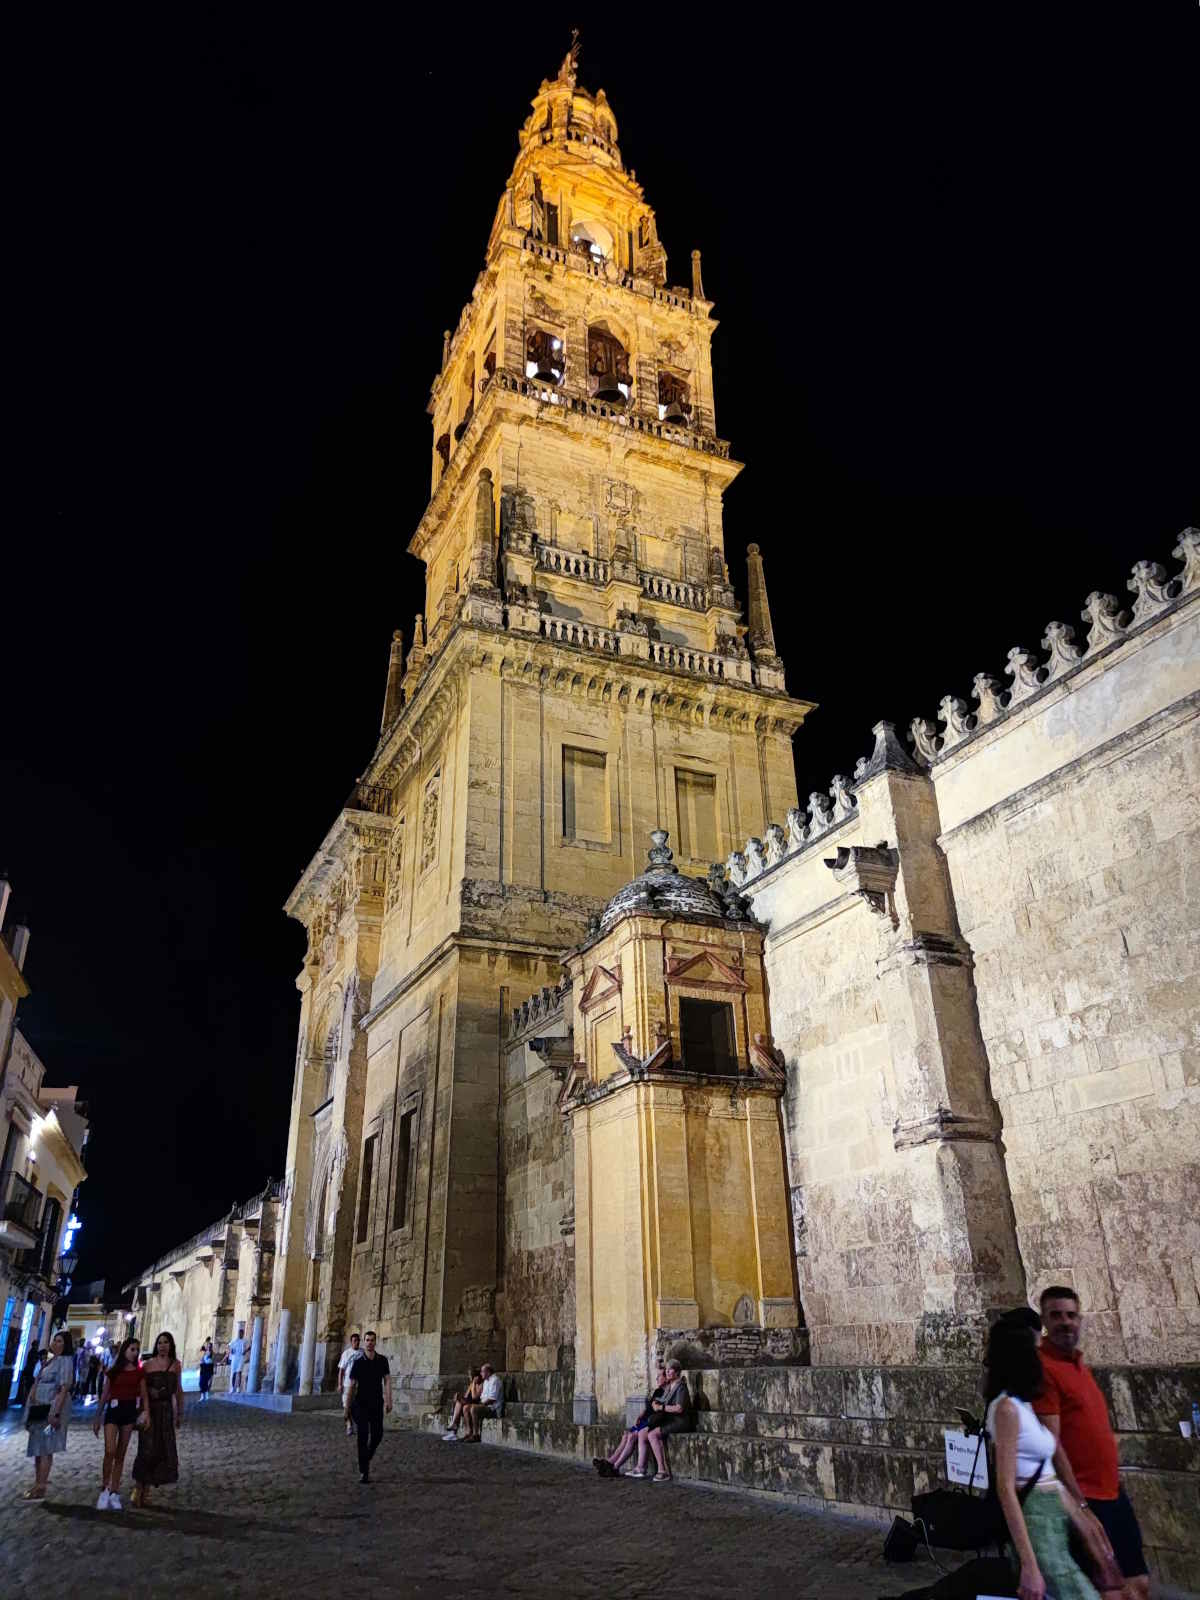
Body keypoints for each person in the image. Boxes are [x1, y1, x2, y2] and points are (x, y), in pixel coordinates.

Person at [985, 1319, 1114, 1600]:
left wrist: (1083, 1516)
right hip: (1036, 1528)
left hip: (1053, 1523)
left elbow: (1045, 1470)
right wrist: (1029, 1565)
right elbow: (1005, 1487)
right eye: (1035, 1349)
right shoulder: (1005, 1409)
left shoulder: (1023, 1405)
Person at [1034, 1287, 1149, 1600]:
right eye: (1055, 1315)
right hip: (1087, 1497)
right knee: (1111, 1591)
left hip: (1112, 1492)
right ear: (1044, 1319)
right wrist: (1080, 1505)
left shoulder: (1078, 1364)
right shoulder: (1044, 1368)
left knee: (1138, 1584)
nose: (1065, 1322)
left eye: (1071, 1315)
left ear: (1080, 1319)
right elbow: (1052, 1445)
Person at [20, 1329, 74, 1501]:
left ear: (66, 1345)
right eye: (54, 1340)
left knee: (46, 1447)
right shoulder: (50, 1360)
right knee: (37, 1446)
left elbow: (64, 1388)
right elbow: (38, 1379)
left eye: (60, 1341)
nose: (56, 1344)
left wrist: (55, 1412)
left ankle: (41, 1486)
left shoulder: (65, 1361)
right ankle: (37, 1483)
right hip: (38, 1406)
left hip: (50, 1407)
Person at [131, 1331, 183, 1507]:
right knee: (146, 1449)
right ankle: (139, 1488)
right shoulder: (146, 1365)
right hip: (150, 1410)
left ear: (171, 1345)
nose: (162, 1345)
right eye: (160, 1342)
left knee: (160, 1450)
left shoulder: (176, 1365)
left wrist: (179, 1413)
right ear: (156, 1345)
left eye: (166, 1342)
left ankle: (147, 1491)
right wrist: (143, 1411)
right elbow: (141, 1389)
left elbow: (178, 1390)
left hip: (166, 1412)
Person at [594, 1364, 667, 1477]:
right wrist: (640, 1415)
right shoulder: (657, 1391)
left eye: (659, 1376)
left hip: (652, 1422)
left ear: (666, 1377)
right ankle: (610, 1462)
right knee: (626, 1435)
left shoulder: (666, 1393)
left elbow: (658, 1412)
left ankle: (615, 1467)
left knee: (632, 1436)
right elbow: (649, 1408)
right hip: (646, 1420)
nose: (657, 1378)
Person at [94, 1337, 142, 1510]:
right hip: (113, 1412)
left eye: (137, 1350)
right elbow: (105, 1394)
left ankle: (114, 1491)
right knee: (110, 1451)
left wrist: (145, 1413)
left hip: (129, 1413)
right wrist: (97, 1416)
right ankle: (105, 1488)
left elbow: (142, 1394)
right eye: (132, 1349)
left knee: (121, 1454)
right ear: (125, 1350)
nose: (135, 1352)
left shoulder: (138, 1372)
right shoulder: (113, 1371)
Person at [627, 1357, 691, 1481]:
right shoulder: (671, 1386)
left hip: (680, 1421)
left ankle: (663, 1471)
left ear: (677, 1372)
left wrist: (660, 1407)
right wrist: (655, 1402)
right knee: (644, 1433)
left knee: (652, 1434)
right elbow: (664, 1400)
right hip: (670, 1420)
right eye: (666, 1369)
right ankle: (642, 1467)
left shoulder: (681, 1387)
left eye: (670, 1369)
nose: (667, 1372)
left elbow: (679, 1409)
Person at [343, 1330, 391, 1483]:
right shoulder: (358, 1362)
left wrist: (389, 1400)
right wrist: (347, 1407)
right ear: (364, 1342)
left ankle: (367, 1457)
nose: (370, 1342)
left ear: (376, 1342)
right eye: (367, 1340)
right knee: (362, 1436)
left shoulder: (382, 1360)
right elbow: (351, 1386)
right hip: (361, 1404)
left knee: (377, 1435)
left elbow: (387, 1381)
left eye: (372, 1340)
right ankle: (364, 1471)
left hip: (376, 1403)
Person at [462, 1363, 503, 1442]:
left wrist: (480, 1404)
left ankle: (475, 1434)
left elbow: (492, 1399)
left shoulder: (495, 1380)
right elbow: (482, 1397)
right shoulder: (486, 1381)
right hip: (485, 1405)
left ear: (488, 1372)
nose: (480, 1373)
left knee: (474, 1408)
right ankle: (469, 1432)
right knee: (465, 1408)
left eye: (482, 1372)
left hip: (492, 1408)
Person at [441, 1368, 483, 1441]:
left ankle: (454, 1428)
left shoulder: (480, 1385)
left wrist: (473, 1384)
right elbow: (466, 1396)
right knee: (458, 1402)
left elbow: (474, 1397)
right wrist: (460, 1396)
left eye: (470, 1376)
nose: (469, 1377)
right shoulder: (471, 1384)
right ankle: (454, 1429)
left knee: (459, 1404)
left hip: (475, 1403)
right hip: (468, 1402)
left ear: (475, 1376)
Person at [337, 1332, 363, 1435]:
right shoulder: (346, 1353)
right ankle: (348, 1424)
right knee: (346, 1407)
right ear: (351, 1342)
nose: (356, 1343)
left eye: (357, 1341)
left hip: (359, 1384)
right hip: (347, 1383)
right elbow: (341, 1371)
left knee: (357, 1406)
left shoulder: (362, 1353)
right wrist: (340, 1384)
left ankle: (353, 1425)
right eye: (354, 1341)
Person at [227, 1323, 247, 1393]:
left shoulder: (245, 1341)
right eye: (239, 1333)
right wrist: (231, 1351)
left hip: (241, 1358)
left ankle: (238, 1388)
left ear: (243, 1334)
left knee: (239, 1372)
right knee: (234, 1373)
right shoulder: (235, 1340)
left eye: (242, 1333)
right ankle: (232, 1387)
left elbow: (249, 1347)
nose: (240, 1335)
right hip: (235, 1358)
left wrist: (245, 1351)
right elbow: (229, 1346)